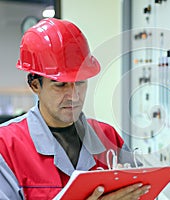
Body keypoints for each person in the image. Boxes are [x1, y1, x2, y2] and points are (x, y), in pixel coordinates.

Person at [0, 18, 150, 200]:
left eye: (80, 82)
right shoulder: (6, 146)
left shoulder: (108, 137)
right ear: (35, 85)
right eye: (61, 85)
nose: (74, 96)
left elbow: (148, 192)